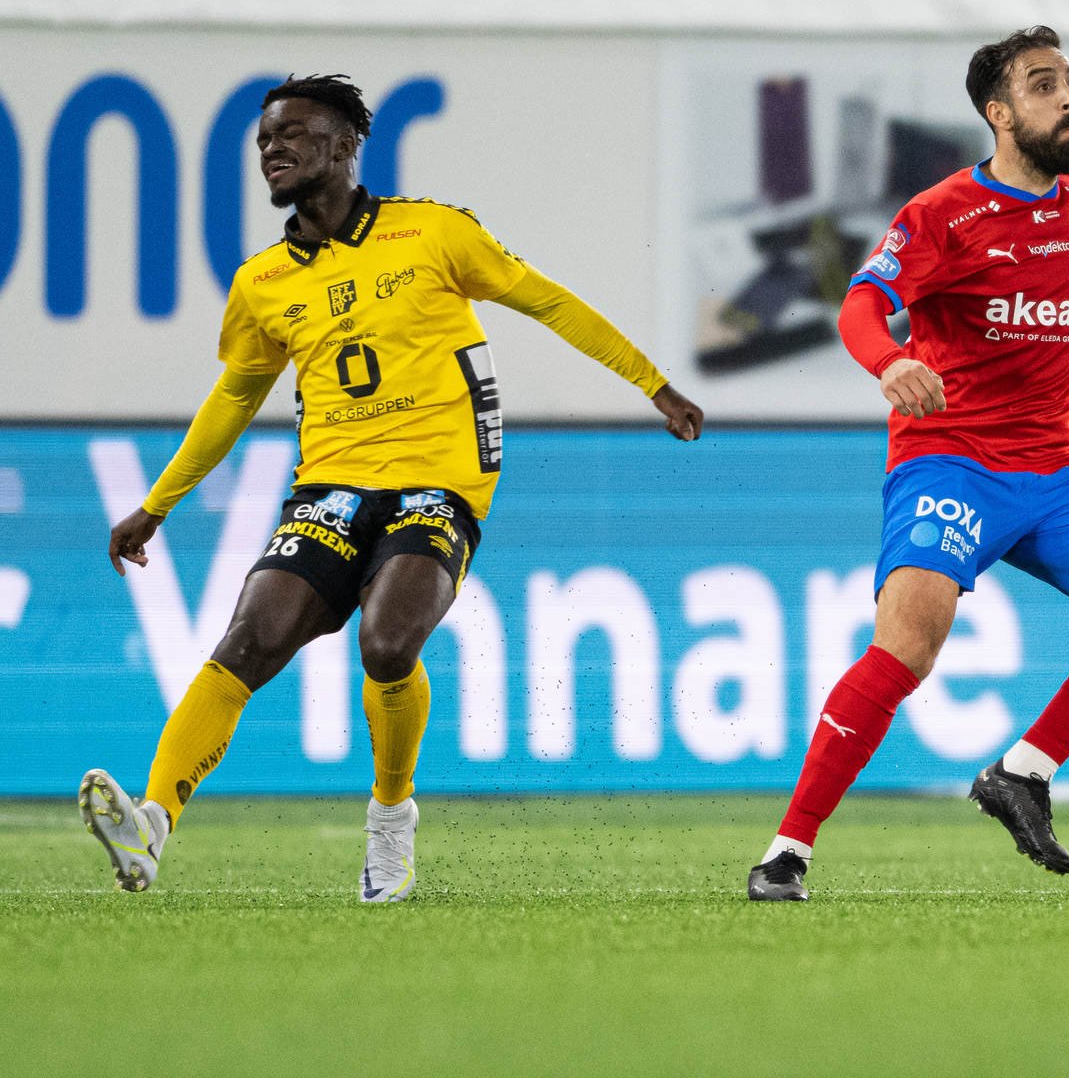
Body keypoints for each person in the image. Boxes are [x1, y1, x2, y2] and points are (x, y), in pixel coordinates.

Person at [80, 75, 703, 901]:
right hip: (331, 484)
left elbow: (546, 302)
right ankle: (153, 823)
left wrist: (652, 383)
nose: (273, 150)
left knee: (386, 643)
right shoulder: (262, 284)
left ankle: (390, 816)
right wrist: (157, 504)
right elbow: (235, 397)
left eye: (293, 134)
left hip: (437, 484)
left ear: (344, 148)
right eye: (266, 140)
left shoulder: (432, 233)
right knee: (250, 637)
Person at [747, 26, 1069, 901]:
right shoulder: (942, 215)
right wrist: (891, 361)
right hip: (950, 462)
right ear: (999, 114)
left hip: (1054, 472)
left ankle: (1023, 772)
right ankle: (788, 852)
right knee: (908, 648)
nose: (1067, 98)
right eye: (1042, 86)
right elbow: (861, 304)